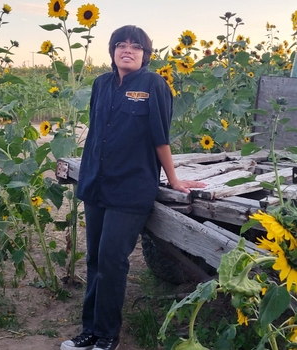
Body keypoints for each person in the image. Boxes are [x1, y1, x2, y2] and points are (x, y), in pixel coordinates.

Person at [60, 25, 207, 350]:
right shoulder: (100, 84)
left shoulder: (154, 85)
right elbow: (98, 132)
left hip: (131, 189)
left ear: (145, 53)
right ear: (112, 51)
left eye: (135, 46)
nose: (127, 50)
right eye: (121, 45)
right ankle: (89, 331)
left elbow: (160, 138)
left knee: (113, 259)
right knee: (96, 260)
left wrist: (173, 178)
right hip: (97, 184)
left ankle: (108, 336)